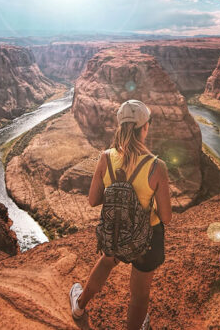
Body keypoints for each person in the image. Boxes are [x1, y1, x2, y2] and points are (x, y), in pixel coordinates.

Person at [69, 99, 172, 330]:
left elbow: (93, 200)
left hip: (116, 229)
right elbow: (166, 217)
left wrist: (120, 199)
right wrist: (139, 204)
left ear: (120, 126)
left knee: (107, 261)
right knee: (139, 295)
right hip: (148, 239)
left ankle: (79, 305)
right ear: (145, 127)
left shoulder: (105, 157)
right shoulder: (157, 166)